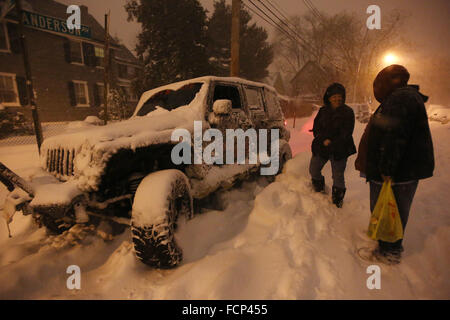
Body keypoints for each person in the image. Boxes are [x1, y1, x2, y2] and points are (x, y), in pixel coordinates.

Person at [358, 64, 434, 264]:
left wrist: (386, 169)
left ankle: (389, 252)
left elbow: (394, 137)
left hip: (398, 172)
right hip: (402, 171)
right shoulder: (402, 98)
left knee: (392, 212)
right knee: (389, 210)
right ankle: (387, 247)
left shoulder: (400, 99)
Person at [309, 83, 356, 208]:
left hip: (340, 149)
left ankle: (337, 202)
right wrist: (323, 139)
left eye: (339, 96)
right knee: (313, 170)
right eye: (334, 96)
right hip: (322, 147)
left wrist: (333, 142)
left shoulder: (348, 112)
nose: (337, 99)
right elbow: (316, 128)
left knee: (338, 176)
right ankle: (319, 191)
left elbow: (347, 132)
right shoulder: (323, 111)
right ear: (328, 97)